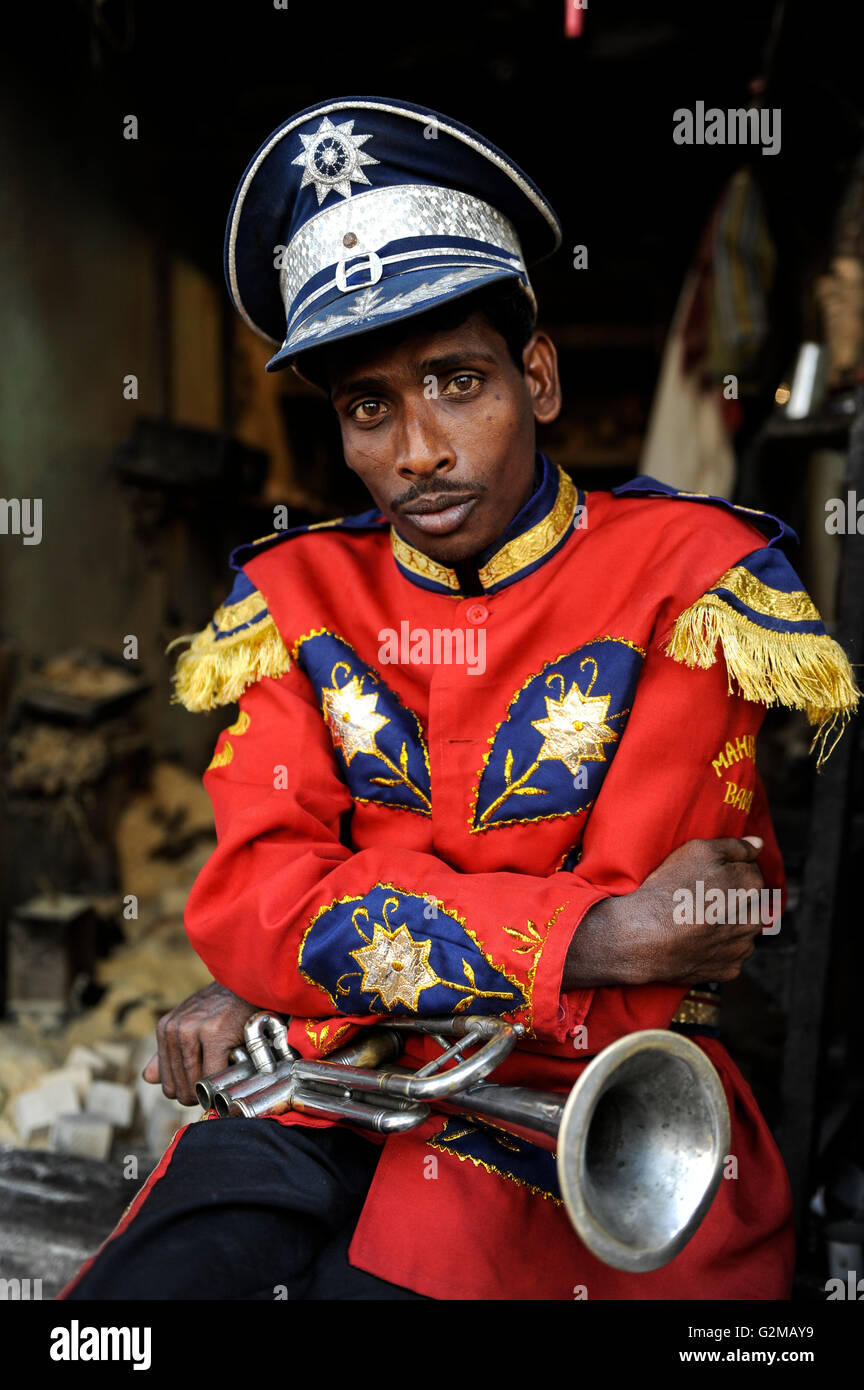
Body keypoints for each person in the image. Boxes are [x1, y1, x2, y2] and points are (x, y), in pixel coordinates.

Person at [63, 97, 858, 1301]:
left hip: (576, 1111)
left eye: (457, 381)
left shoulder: (693, 579)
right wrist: (584, 930)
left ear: (536, 377)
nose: (417, 450)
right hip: (329, 1088)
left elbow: (664, 941)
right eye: (368, 405)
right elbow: (252, 905)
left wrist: (317, 947)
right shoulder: (292, 594)